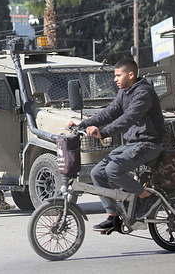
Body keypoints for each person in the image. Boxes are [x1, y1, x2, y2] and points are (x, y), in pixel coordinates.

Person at [67, 58, 165, 232]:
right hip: (132, 144)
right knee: (97, 172)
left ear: (131, 75)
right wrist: (82, 124)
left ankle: (147, 197)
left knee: (113, 170)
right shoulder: (124, 92)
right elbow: (109, 112)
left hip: (148, 144)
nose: (115, 79)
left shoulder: (144, 93)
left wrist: (103, 132)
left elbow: (128, 119)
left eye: (118, 75)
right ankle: (113, 217)